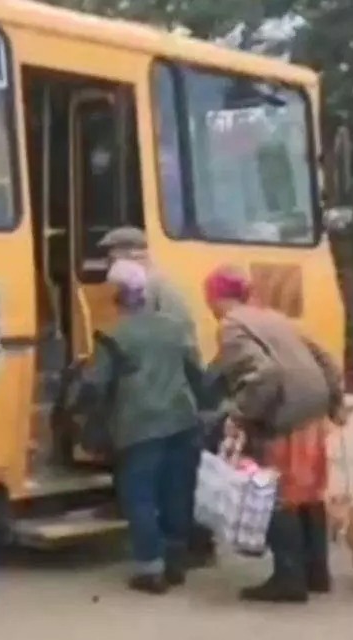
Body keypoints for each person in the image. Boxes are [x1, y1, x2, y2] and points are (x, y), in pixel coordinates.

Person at [205, 265, 343, 604]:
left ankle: (289, 578)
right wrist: (333, 401)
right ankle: (317, 573)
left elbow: (263, 373)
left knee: (281, 493)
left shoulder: (232, 327)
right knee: (309, 490)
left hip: (284, 413)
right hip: (312, 406)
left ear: (216, 298)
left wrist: (241, 413)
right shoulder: (274, 317)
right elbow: (325, 359)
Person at [70, 260, 205, 595]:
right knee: (177, 492)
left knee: (140, 496)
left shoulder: (114, 337)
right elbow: (196, 372)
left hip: (139, 426)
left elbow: (95, 384)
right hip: (183, 421)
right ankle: (176, 561)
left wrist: (74, 404)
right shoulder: (175, 328)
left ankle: (150, 569)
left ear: (115, 297)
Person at [99, 225, 216, 566]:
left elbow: (174, 352)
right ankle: (178, 553)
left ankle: (161, 559)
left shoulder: (150, 291)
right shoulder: (158, 289)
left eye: (112, 255)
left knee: (146, 490)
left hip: (151, 409)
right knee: (175, 485)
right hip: (177, 407)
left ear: (129, 253)